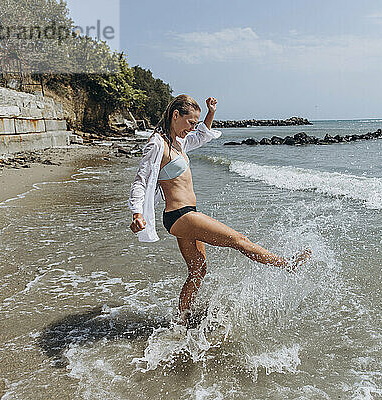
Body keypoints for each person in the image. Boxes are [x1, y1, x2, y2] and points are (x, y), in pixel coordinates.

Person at [128, 94, 311, 326]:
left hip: (185, 214)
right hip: (180, 215)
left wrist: (210, 112)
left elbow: (202, 136)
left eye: (195, 123)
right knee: (238, 239)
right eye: (190, 122)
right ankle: (287, 265)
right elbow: (141, 180)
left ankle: (180, 322)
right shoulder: (157, 144)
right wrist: (137, 213)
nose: (192, 128)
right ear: (176, 115)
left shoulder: (179, 141)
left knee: (198, 270)